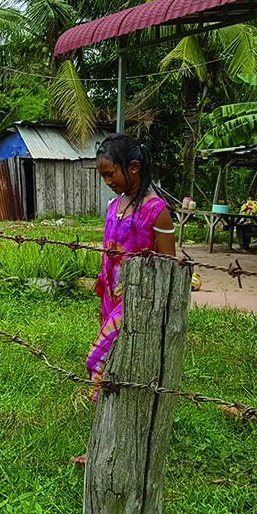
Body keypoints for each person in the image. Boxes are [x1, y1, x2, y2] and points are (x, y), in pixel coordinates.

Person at [87, 134, 176, 399]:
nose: (108, 181)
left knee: (98, 356)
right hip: (110, 295)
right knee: (118, 354)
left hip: (138, 298)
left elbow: (168, 263)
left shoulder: (156, 210)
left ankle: (103, 398)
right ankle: (115, 401)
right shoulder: (113, 206)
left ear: (134, 167)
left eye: (111, 173)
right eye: (103, 176)